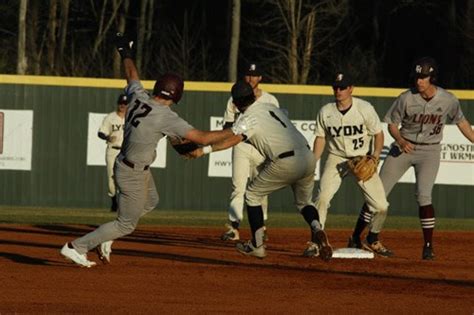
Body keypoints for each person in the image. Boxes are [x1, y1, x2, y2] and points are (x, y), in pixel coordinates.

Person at [60, 33, 254, 267]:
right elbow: (202, 137)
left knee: (151, 201)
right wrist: (234, 128)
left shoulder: (137, 96)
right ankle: (76, 246)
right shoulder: (166, 117)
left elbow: (132, 74)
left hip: (132, 165)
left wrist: (125, 53)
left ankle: (108, 235)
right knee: (126, 225)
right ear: (177, 95)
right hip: (132, 171)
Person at [349, 57, 474, 260]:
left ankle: (427, 246)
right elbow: (391, 124)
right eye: (417, 77)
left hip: (430, 152)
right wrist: (399, 139)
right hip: (402, 149)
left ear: (432, 77)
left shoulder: (448, 99)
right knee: (377, 193)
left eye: (423, 77)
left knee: (424, 195)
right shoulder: (406, 98)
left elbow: (462, 122)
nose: (419, 81)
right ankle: (357, 237)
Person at [193, 80, 332, 261]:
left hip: (286, 160)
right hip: (307, 156)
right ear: (253, 96)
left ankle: (257, 245)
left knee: (252, 195)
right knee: (304, 203)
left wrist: (203, 150)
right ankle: (317, 228)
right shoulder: (269, 106)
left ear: (235, 104)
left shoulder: (247, 118)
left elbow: (231, 140)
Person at [313, 72, 392, 257]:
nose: (338, 90)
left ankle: (372, 238)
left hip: (361, 159)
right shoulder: (326, 111)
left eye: (342, 87)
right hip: (336, 157)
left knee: (381, 206)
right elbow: (320, 138)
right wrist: (313, 160)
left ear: (351, 89)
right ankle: (316, 242)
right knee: (322, 198)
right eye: (336, 87)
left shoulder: (364, 108)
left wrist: (375, 155)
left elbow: (378, 134)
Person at [220, 62, 280, 241]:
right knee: (238, 187)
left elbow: (277, 128)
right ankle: (233, 226)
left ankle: (261, 227)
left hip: (262, 148)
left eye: (254, 75)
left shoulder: (270, 100)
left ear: (260, 78)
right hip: (241, 146)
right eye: (247, 75)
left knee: (260, 190)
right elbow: (227, 125)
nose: (250, 78)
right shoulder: (234, 98)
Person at [98, 93, 128, 212]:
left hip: (126, 151)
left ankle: (123, 203)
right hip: (113, 150)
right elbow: (100, 132)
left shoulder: (131, 118)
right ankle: (114, 200)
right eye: (121, 103)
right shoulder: (110, 117)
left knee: (125, 178)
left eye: (125, 103)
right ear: (118, 104)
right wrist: (107, 137)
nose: (123, 105)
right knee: (112, 177)